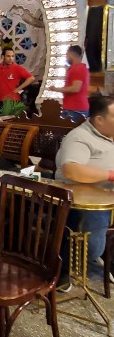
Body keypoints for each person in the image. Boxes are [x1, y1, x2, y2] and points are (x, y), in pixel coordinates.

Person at [55, 94, 114, 289]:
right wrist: (111, 175)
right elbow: (71, 169)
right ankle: (70, 266)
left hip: (108, 196)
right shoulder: (80, 137)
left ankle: (105, 262)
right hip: (84, 198)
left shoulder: (110, 134)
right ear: (99, 120)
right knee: (92, 244)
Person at [61, 45, 90, 121]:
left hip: (75, 109)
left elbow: (76, 88)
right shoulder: (78, 68)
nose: (66, 57)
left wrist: (56, 89)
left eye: (66, 55)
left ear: (70, 53)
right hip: (74, 107)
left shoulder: (77, 68)